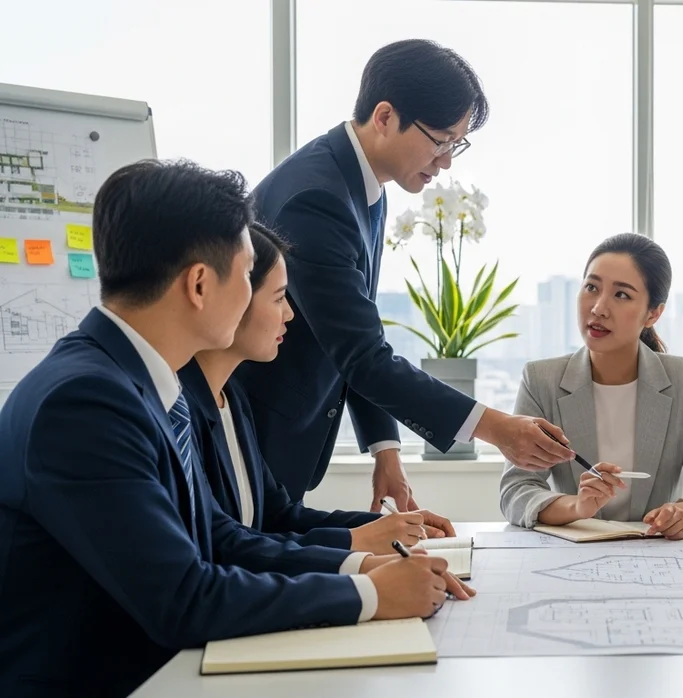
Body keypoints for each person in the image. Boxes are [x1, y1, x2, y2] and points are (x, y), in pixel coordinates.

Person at [0, 161, 453, 696]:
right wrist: (370, 595)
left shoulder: (138, 380)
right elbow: (184, 599)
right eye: (245, 274)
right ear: (198, 284)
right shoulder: (86, 403)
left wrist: (357, 567)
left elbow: (215, 537)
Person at [239, 38, 572, 512]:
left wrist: (386, 451)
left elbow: (356, 329)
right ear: (384, 117)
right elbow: (362, 355)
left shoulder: (363, 184)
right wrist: (497, 428)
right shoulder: (317, 198)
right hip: (255, 434)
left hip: (281, 436)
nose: (447, 160)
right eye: (440, 141)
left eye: (457, 144)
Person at [178, 224, 469, 578]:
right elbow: (226, 546)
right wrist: (356, 545)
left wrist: (390, 527)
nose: (289, 313)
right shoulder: (178, 407)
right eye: (279, 297)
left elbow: (279, 516)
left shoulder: (233, 397)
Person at [499, 234, 683, 539]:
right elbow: (516, 490)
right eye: (591, 288)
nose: (599, 308)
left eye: (621, 295)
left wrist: (682, 515)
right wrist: (576, 507)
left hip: (658, 553)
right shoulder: (541, 379)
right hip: (572, 557)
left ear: (653, 313)